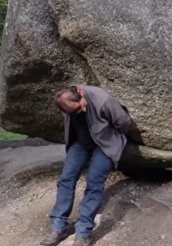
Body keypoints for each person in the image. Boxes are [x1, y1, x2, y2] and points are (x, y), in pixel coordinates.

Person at [40, 85, 133, 246]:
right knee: (66, 179)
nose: (81, 111)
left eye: (81, 106)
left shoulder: (104, 101)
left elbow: (124, 123)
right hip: (82, 143)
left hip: (105, 145)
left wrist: (111, 140)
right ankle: (59, 227)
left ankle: (83, 232)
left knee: (94, 181)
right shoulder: (67, 106)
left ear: (80, 93)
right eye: (75, 112)